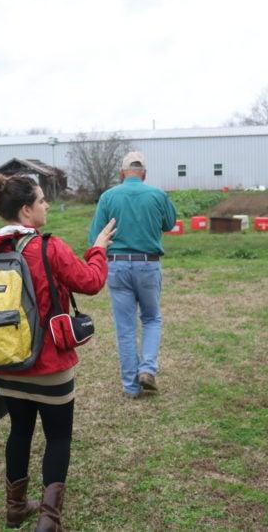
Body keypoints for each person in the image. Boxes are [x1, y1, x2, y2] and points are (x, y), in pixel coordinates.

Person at [0, 174, 116, 531]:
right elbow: (91, 282)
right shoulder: (49, 247)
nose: (46, 205)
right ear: (26, 210)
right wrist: (98, 248)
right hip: (50, 367)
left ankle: (15, 508)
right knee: (58, 437)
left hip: (6, 366)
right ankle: (49, 520)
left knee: (19, 432)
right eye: (41, 200)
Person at [88, 151, 177, 399]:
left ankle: (130, 386)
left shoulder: (108, 197)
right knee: (151, 318)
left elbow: (95, 237)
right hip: (148, 265)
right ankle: (147, 368)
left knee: (125, 327)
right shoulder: (158, 195)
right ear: (144, 174)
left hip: (117, 266)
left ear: (121, 174)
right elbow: (170, 224)